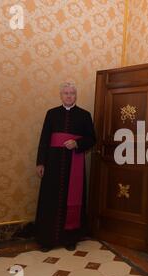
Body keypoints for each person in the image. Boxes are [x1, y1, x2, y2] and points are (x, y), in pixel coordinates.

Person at [35, 82, 96, 252]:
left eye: (72, 93)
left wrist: (77, 143)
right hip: (53, 164)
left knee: (73, 199)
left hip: (74, 163)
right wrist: (40, 162)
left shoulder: (84, 115)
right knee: (50, 200)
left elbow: (92, 139)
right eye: (66, 93)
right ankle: (46, 239)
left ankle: (70, 238)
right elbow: (44, 139)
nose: (69, 96)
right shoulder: (52, 113)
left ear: (76, 96)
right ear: (60, 95)